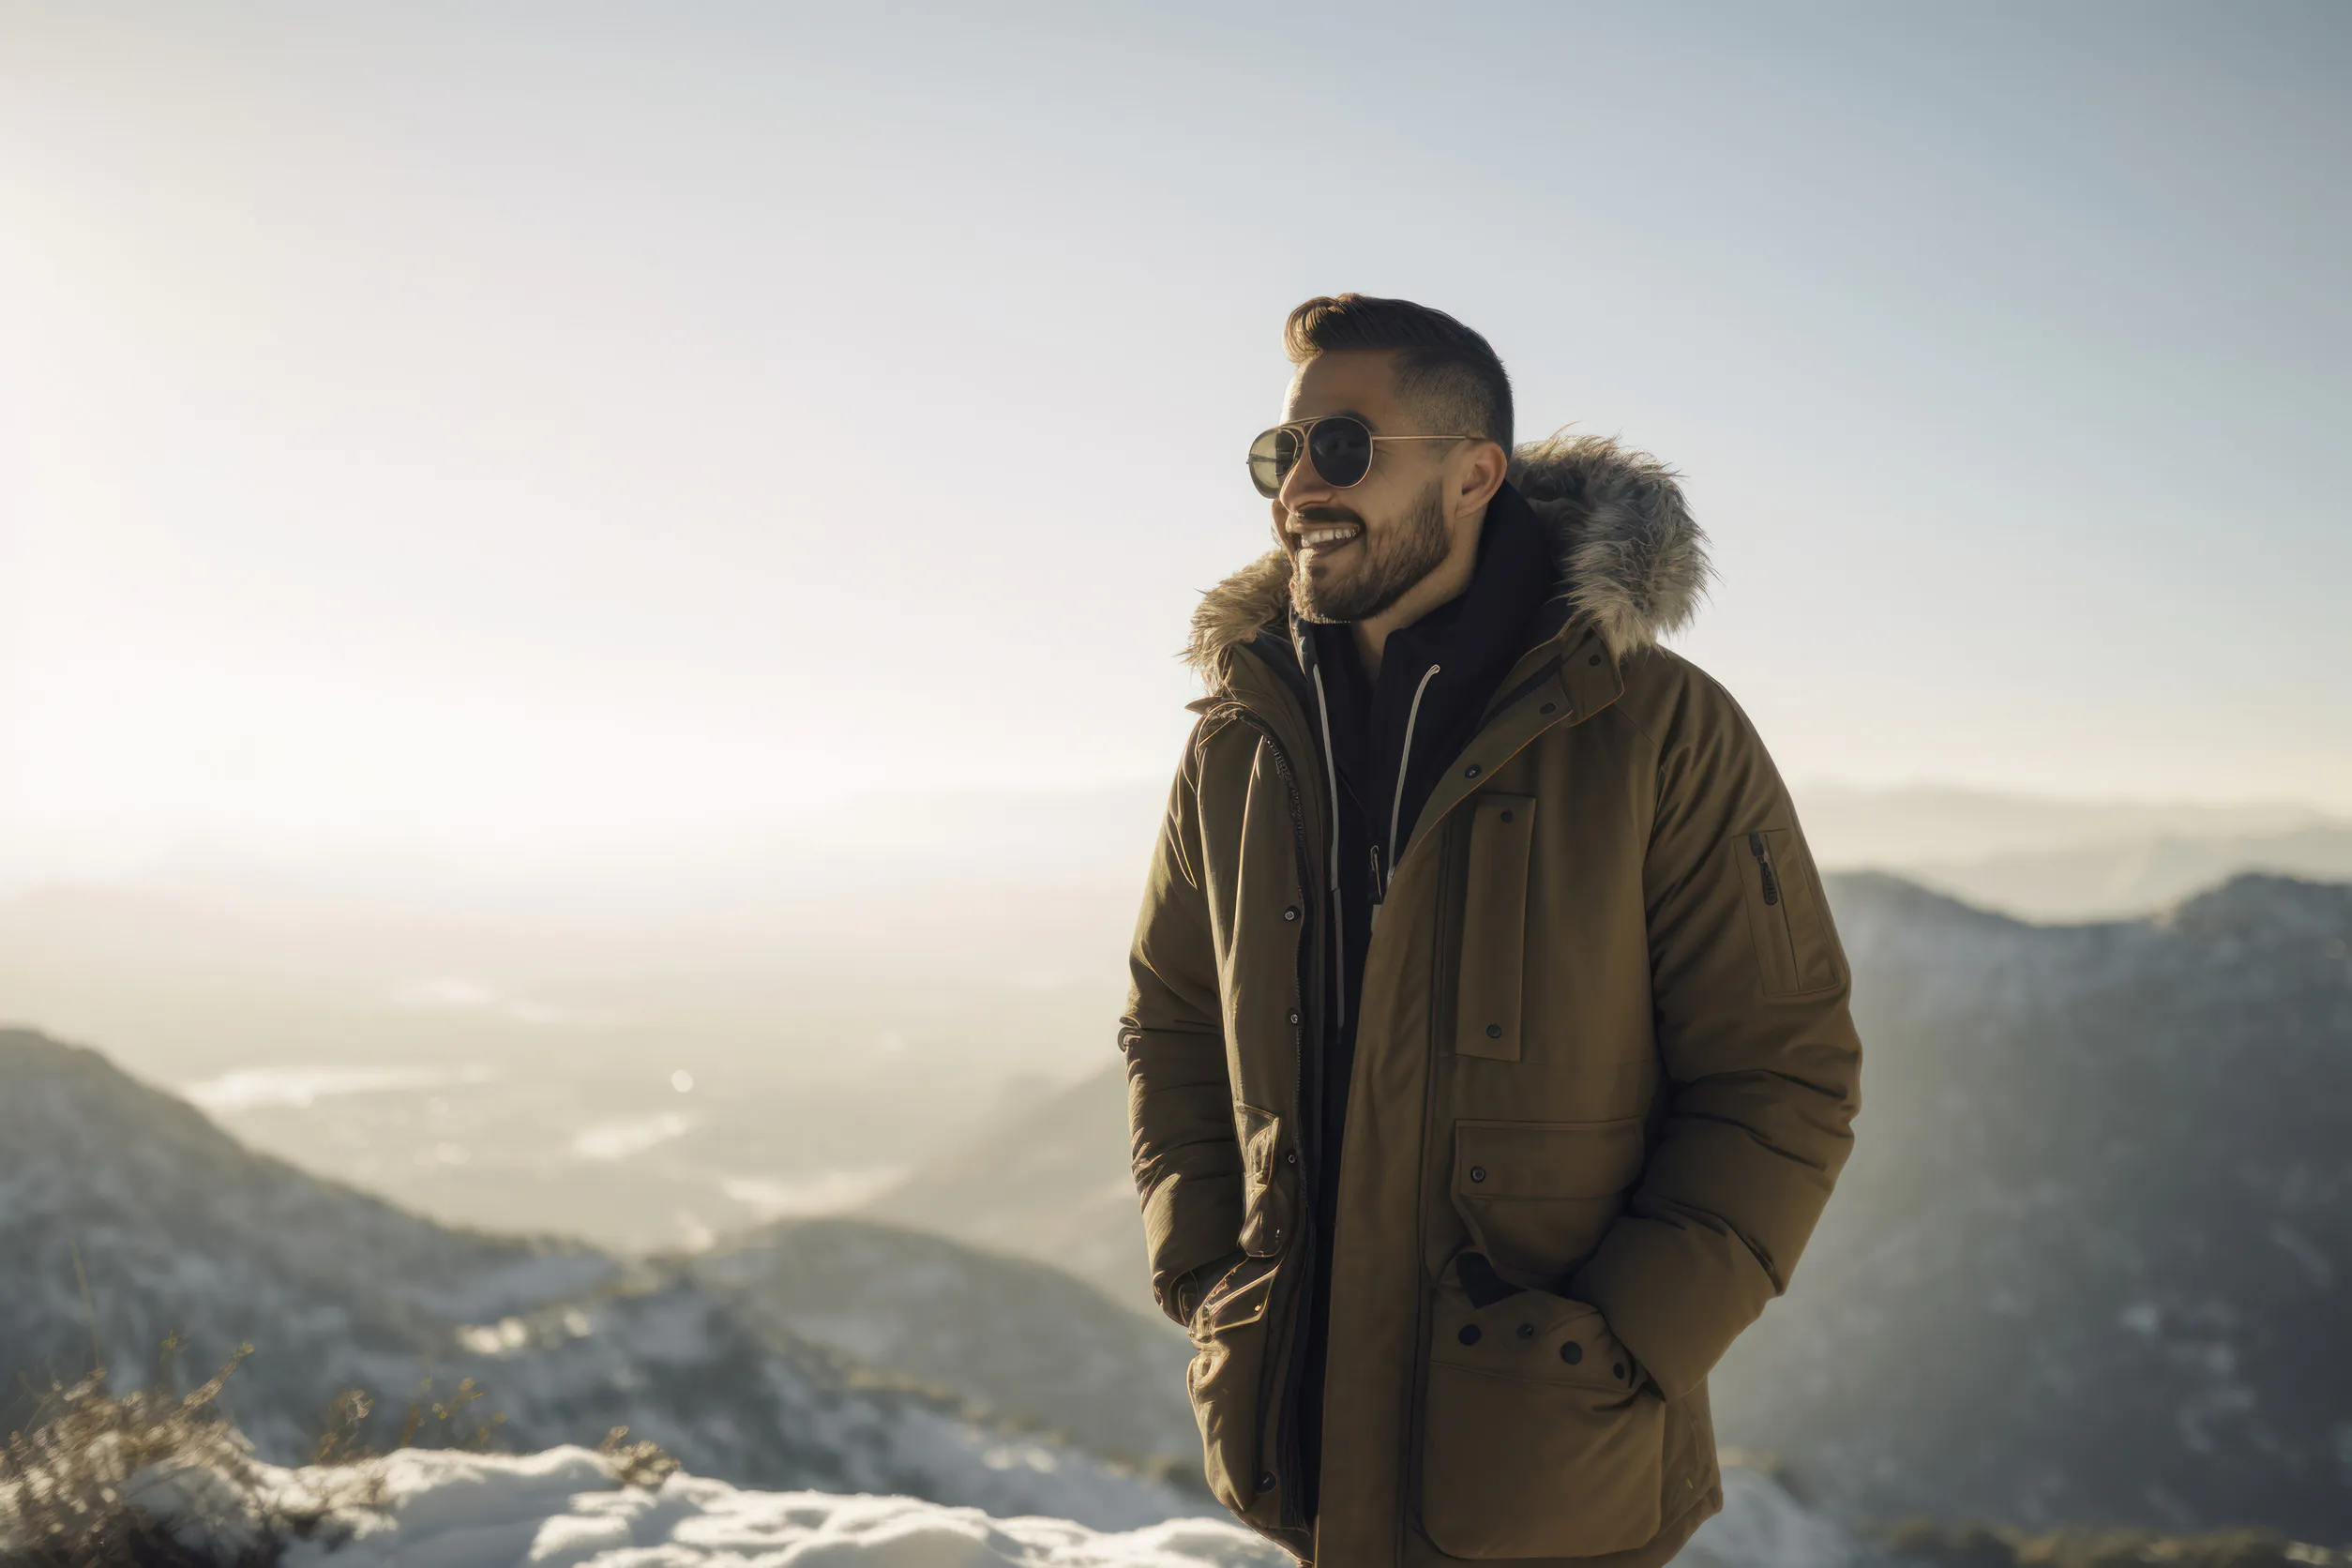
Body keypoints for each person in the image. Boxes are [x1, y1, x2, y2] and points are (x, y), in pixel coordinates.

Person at [1120, 294, 1862, 1566]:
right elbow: (1175, 1023)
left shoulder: (1657, 732)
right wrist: (1206, 1269)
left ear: (1474, 476)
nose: (1297, 488)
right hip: (1302, 1452)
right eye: (1279, 454)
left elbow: (1782, 1075)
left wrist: (1622, 1341)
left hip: (1551, 1477)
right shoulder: (1239, 741)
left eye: (1342, 449)